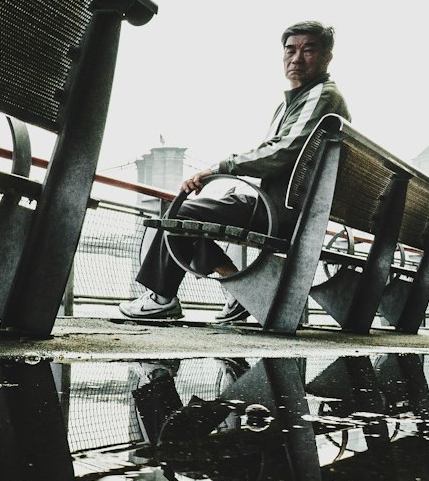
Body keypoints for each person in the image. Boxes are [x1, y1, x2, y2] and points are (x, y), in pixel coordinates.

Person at [119, 20, 351, 323]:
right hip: (294, 210)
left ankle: (162, 298)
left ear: (326, 58)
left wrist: (219, 167)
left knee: (177, 213)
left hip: (286, 212)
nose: (296, 58)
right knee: (190, 216)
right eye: (290, 50)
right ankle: (238, 289)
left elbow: (283, 150)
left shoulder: (320, 95)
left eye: (308, 50)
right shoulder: (295, 102)